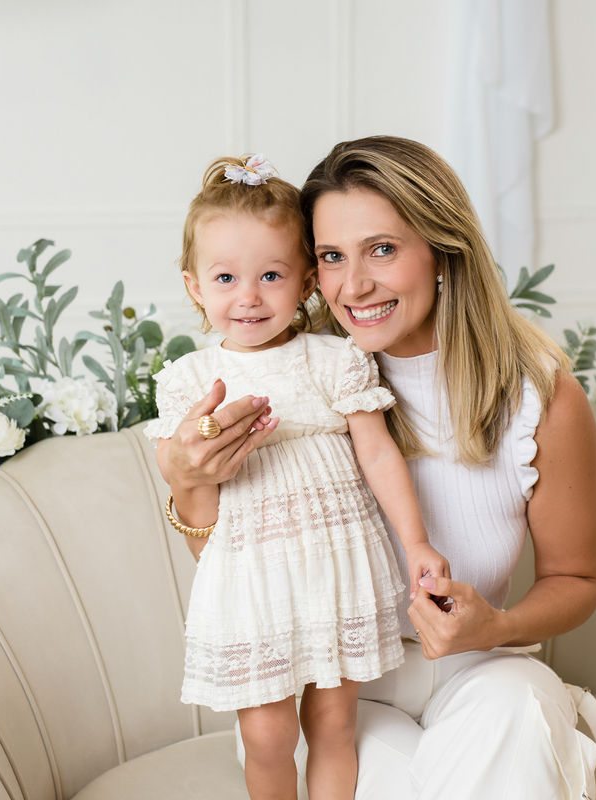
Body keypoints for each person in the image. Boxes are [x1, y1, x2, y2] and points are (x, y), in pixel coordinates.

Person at [161, 137, 596, 800]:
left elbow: (577, 577)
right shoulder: (297, 377)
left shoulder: (537, 395)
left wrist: (497, 625)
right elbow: (228, 556)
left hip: (473, 667)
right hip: (324, 677)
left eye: (382, 249)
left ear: (440, 249)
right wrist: (186, 479)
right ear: (311, 269)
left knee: (516, 713)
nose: (355, 285)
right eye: (332, 257)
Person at [146, 154, 451, 800]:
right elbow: (181, 472)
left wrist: (418, 542)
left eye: (271, 275)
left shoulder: (333, 361)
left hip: (334, 570)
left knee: (335, 721)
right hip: (252, 582)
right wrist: (196, 445)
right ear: (195, 287)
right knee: (266, 735)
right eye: (225, 277)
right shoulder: (192, 382)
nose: (248, 296)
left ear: (307, 281)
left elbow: (378, 456)